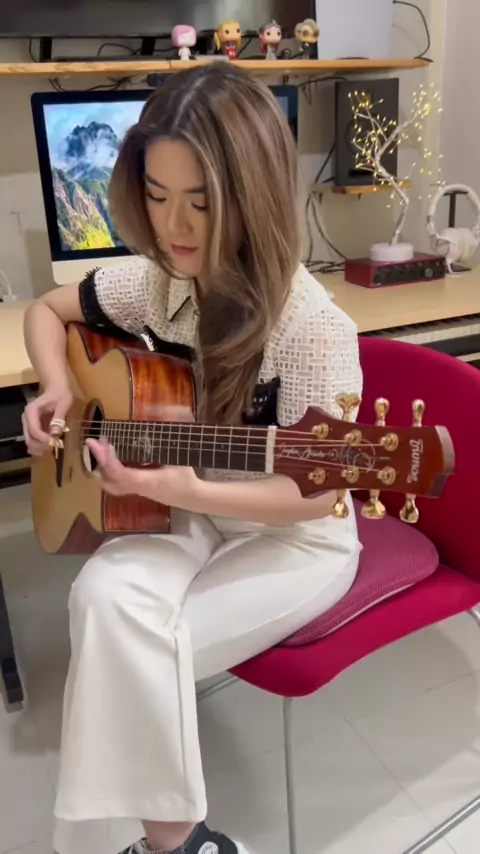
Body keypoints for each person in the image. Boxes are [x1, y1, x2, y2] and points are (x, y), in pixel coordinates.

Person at [23, 64, 362, 854]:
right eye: (156, 194)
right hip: (192, 508)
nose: (174, 225)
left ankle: (168, 847)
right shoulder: (161, 284)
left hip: (293, 537)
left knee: (132, 646)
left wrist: (183, 487)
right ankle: (185, 844)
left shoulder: (312, 328)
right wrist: (55, 385)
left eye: (201, 202)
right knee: (102, 597)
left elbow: (318, 496)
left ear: (252, 194)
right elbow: (46, 308)